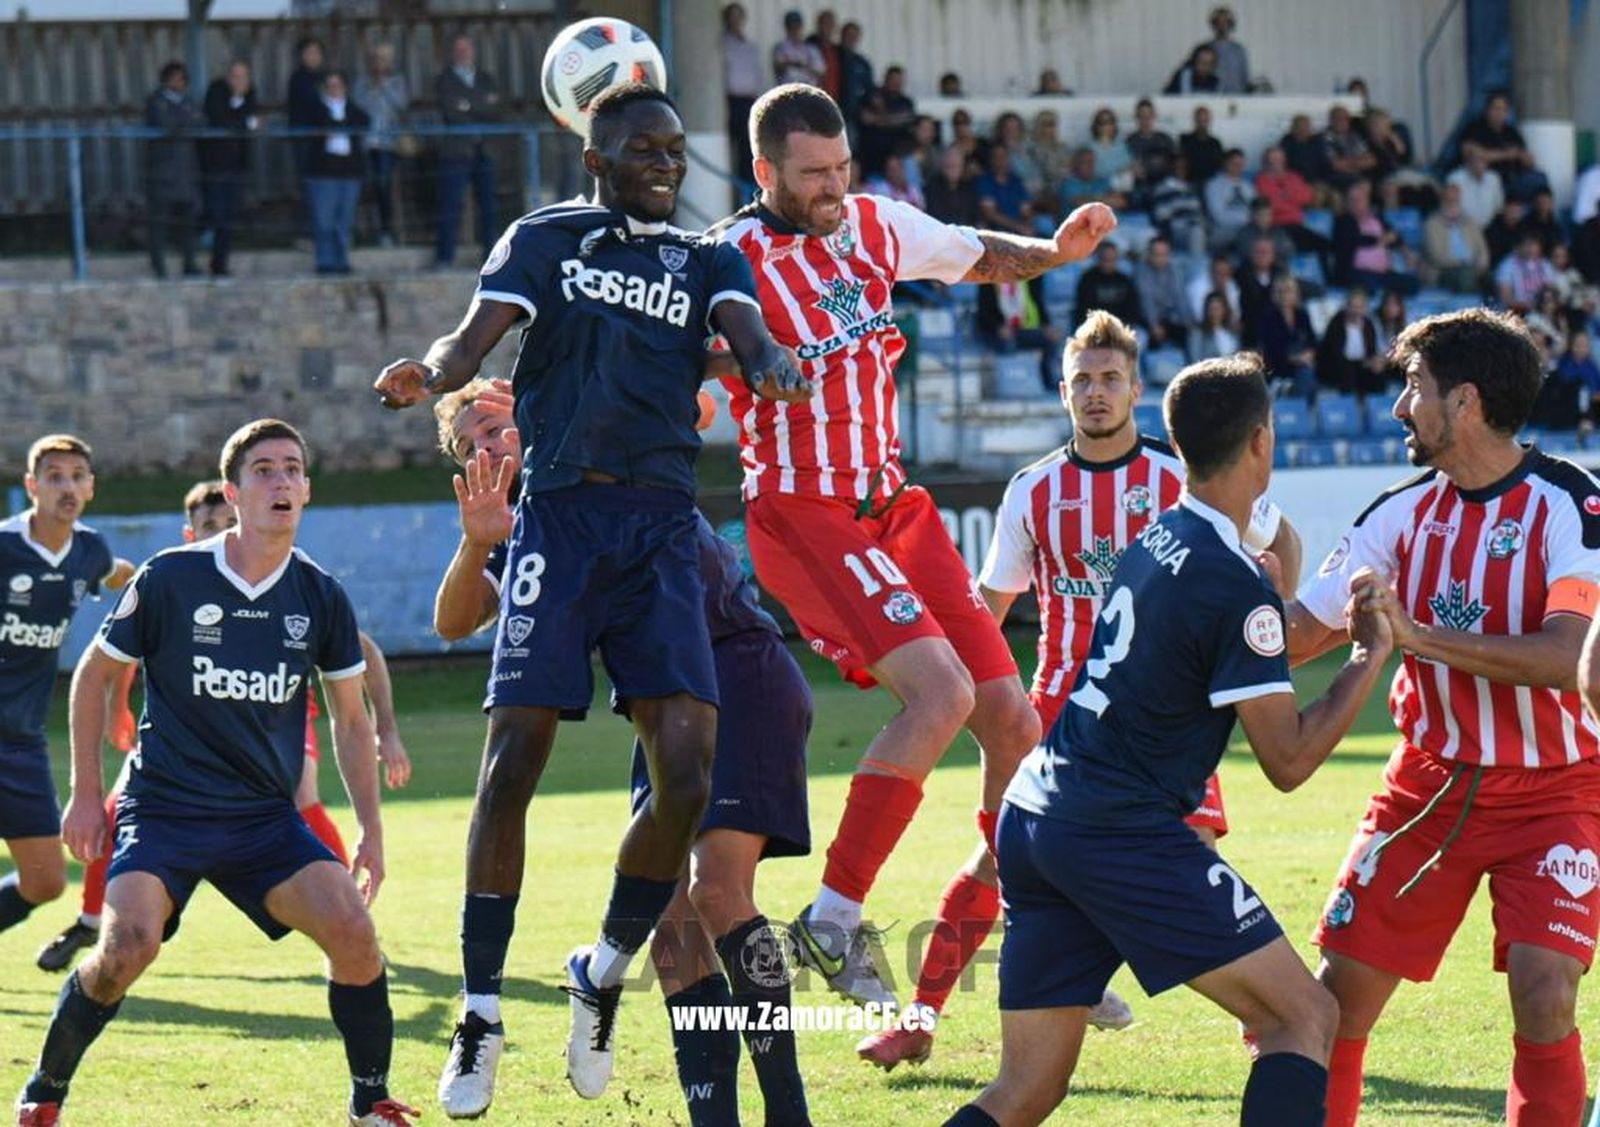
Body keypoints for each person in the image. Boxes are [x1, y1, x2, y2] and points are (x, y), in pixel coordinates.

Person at [371, 83, 807, 1116]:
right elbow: (468, 346)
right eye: (641, 149)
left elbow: (749, 337)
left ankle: (602, 966)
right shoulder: (546, 239)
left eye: (673, 148)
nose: (664, 162)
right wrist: (423, 372)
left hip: (658, 526)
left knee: (686, 776)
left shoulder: (709, 258)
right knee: (512, 758)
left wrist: (777, 364)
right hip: (560, 521)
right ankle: (480, 1013)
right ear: (595, 160)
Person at [708, 81, 1115, 1010]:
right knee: (942, 695)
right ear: (765, 171)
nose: (833, 187)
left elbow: (972, 256)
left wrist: (1053, 250)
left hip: (895, 509)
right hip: (802, 513)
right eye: (813, 175)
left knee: (1013, 722)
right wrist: (736, 367)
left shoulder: (874, 223)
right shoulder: (728, 259)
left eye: (843, 167)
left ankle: (1037, 928)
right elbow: (671, 354)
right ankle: (833, 918)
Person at [940, 352, 1395, 1127]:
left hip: (1038, 813)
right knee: (1305, 1017)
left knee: (1024, 1091)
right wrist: (1365, 659)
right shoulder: (1233, 581)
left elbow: (1226, 638)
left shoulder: (1162, 536)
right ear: (1262, 442)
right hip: (1118, 830)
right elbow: (1285, 761)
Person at [859, 312, 1300, 1071]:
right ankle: (920, 1016)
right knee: (999, 854)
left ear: (1135, 388)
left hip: (1163, 709)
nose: (1096, 394)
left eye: (1110, 379)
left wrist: (1265, 636)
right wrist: (952, 687)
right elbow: (984, 608)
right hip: (1060, 710)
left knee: (1187, 859)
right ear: (1063, 393)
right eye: (1082, 381)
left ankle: (1249, 1004)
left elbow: (1282, 542)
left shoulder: (1182, 477)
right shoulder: (1034, 489)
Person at [429, 378, 814, 1127]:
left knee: (716, 891)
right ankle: (714, 1116)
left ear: (531, 415)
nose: (487, 446)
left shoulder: (597, 453)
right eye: (469, 444)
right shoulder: (526, 526)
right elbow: (454, 619)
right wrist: (477, 537)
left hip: (738, 668)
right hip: (663, 701)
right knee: (670, 919)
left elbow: (695, 399)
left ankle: (789, 1112)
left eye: (494, 426)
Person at [13, 420, 418, 1127]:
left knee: (354, 932)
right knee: (125, 948)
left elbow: (350, 720)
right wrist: (83, 792)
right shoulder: (173, 575)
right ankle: (45, 1091)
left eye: (293, 468)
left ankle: (370, 1100)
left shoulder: (319, 594)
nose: (282, 481)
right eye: (264, 469)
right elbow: (93, 675)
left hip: (263, 820)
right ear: (234, 492)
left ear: (308, 490)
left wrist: (371, 831)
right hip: (163, 809)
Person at [1283, 308, 1600, 1127]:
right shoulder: (1396, 512)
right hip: (1427, 787)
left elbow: (1570, 657)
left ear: (1463, 402)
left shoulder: (1572, 506)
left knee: (1544, 991)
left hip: (1557, 789)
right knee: (1336, 1002)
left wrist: (1417, 636)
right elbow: (1299, 634)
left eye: (1413, 388)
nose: (1398, 409)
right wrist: (1206, 610)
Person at [33, 482, 411, 974]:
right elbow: (121, 655)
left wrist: (387, 727)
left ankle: (346, 912)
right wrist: (118, 708)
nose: (226, 534)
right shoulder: (173, 582)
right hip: (185, 733)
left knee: (301, 793)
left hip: (274, 722)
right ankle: (92, 918)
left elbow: (364, 651)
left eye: (227, 523)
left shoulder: (292, 580)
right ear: (191, 533)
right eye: (210, 528)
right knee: (114, 806)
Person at [0, 436, 133, 945]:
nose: (67, 486)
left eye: (78, 475)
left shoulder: (89, 551)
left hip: (22, 741)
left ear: (91, 487)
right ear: (32, 486)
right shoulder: (6, 548)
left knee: (45, 881)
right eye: (55, 476)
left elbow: (121, 576)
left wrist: (155, 588)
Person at [434, 36, 501, 269]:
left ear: (474, 51)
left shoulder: (486, 78)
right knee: (450, 205)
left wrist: (469, 105)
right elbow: (451, 111)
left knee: (489, 207)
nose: (463, 53)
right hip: (456, 152)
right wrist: (481, 104)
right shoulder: (444, 79)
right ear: (453, 53)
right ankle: (444, 257)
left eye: (467, 49)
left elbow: (497, 109)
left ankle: (491, 259)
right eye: (458, 49)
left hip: (484, 150)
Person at [305, 72, 371, 276]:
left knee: (344, 221)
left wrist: (337, 128)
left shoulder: (352, 109)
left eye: (338, 85)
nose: (335, 89)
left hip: (349, 171)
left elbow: (364, 122)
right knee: (324, 221)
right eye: (331, 85)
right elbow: (320, 126)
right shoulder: (316, 109)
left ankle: (342, 260)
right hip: (323, 172)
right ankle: (324, 261)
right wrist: (339, 127)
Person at [199, 60, 257, 277]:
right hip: (214, 164)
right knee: (215, 212)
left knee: (229, 216)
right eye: (236, 76)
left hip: (237, 165)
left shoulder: (249, 93)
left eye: (244, 77)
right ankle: (202, 243)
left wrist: (241, 102)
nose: (240, 81)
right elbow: (221, 120)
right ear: (228, 76)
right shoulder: (216, 91)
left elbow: (247, 119)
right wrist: (244, 121)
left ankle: (219, 263)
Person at [143, 60, 202, 279]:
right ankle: (159, 267)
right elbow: (167, 126)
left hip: (186, 174)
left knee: (189, 222)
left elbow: (200, 122)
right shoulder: (156, 102)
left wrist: (183, 125)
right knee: (159, 222)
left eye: (183, 78)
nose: (180, 82)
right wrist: (184, 124)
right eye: (176, 78)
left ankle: (190, 264)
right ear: (166, 80)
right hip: (163, 174)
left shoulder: (187, 102)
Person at [353, 43, 410, 248]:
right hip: (366, 143)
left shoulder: (397, 82)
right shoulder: (362, 84)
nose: (380, 64)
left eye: (384, 60)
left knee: (383, 183)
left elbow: (401, 106)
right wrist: (373, 88)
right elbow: (358, 107)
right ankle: (359, 232)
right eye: (376, 60)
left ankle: (385, 230)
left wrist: (384, 86)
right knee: (364, 184)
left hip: (388, 144)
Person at [1332, 180, 1417, 295]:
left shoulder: (1377, 218)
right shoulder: (1343, 221)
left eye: (1360, 200)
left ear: (1367, 201)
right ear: (1346, 203)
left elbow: (1394, 235)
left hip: (1382, 273)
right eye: (1353, 200)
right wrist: (1380, 240)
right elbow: (1354, 239)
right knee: (1368, 285)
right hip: (1357, 273)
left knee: (1412, 283)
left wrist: (1405, 252)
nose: (1357, 204)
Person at [1460, 90, 1545, 199]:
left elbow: (1526, 157)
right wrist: (1507, 154)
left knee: (1540, 179)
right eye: (1496, 108)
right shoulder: (1475, 128)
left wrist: (1526, 158)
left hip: (1515, 178)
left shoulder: (1512, 132)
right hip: (1488, 178)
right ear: (1487, 110)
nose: (1499, 113)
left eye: (1503, 110)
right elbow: (1472, 153)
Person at [1315, 286, 1385, 396]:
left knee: (1378, 373)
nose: (1356, 311)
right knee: (1348, 372)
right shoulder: (1336, 323)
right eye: (1353, 307)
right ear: (1346, 307)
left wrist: (1374, 361)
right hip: (1337, 365)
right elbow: (1335, 353)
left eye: (1360, 307)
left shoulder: (1368, 324)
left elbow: (1372, 349)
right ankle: (1349, 406)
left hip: (1362, 364)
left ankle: (1376, 407)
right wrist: (1363, 363)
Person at [721, 3, 763, 186]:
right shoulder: (723, 44)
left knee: (750, 147)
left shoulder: (750, 46)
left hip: (750, 100)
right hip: (733, 99)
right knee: (734, 148)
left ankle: (749, 187)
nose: (736, 20)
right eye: (732, 16)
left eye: (739, 16)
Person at [1423, 182, 1490, 294]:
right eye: (1449, 201)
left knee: (1493, 278)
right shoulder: (1432, 224)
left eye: (1455, 200)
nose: (1452, 204)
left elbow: (1482, 248)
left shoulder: (1469, 222)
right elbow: (1436, 256)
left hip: (1472, 268)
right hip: (1445, 270)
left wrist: (1482, 264)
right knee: (1465, 276)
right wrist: (1462, 263)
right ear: (1442, 200)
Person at [286, 37, 326, 214]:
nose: (313, 57)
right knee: (307, 183)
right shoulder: (298, 79)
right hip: (305, 138)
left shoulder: (326, 78)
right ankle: (308, 231)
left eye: (316, 53)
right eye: (309, 53)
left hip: (324, 138)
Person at [1259, 275, 1317, 398]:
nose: (1285, 295)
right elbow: (1271, 348)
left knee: (1307, 374)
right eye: (1281, 291)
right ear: (1276, 294)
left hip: (1303, 363)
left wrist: (1310, 353)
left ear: (1295, 294)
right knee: (1306, 376)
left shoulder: (1302, 315)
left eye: (1289, 291)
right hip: (1279, 365)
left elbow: (1312, 341)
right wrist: (1295, 358)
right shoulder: (1269, 317)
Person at [1135, 235, 1192, 355]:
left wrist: (1188, 321)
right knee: (1147, 338)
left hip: (1170, 318)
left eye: (1164, 254)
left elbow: (1180, 298)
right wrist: (1154, 325)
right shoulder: (1141, 271)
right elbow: (1146, 300)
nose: (1160, 258)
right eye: (1157, 254)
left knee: (1191, 334)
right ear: (1149, 254)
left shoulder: (1175, 270)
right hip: (1147, 320)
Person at [1073, 241, 1143, 330]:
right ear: (1098, 258)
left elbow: (1132, 308)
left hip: (1120, 326)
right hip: (1094, 326)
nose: (1109, 263)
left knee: (1140, 336)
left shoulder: (1124, 280)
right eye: (1105, 259)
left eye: (1112, 259)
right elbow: (1083, 309)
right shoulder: (1088, 278)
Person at [1495, 232, 1559, 312]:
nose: (1531, 249)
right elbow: (1506, 299)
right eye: (1527, 245)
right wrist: (1528, 306)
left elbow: (1552, 290)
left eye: (1534, 245)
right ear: (1518, 246)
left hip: (1541, 312)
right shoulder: (1507, 265)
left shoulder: (1545, 264)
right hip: (1516, 312)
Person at [1203, 148, 1253, 250]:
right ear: (1226, 163)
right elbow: (1219, 216)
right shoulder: (1214, 185)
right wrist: (1246, 221)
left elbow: (1255, 210)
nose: (1238, 168)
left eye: (1241, 165)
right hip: (1223, 230)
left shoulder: (1248, 187)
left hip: (1247, 229)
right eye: (1235, 164)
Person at [1125, 98, 1176, 194]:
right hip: (1140, 186)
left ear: (1154, 116)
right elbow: (1125, 166)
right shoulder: (1130, 141)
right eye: (1142, 116)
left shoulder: (1165, 139)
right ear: (1136, 117)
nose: (1146, 120)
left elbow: (1175, 163)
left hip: (1164, 184)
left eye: (1149, 116)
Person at [924, 145, 979, 227]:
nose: (953, 170)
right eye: (949, 166)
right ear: (942, 165)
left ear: (962, 166)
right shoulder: (932, 188)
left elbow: (975, 218)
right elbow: (934, 218)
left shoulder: (969, 189)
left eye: (956, 166)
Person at [771, 9, 824, 87]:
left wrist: (804, 66)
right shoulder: (780, 47)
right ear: (786, 28)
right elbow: (779, 66)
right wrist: (797, 64)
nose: (794, 30)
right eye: (791, 27)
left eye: (797, 26)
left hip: (807, 89)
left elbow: (820, 71)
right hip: (788, 90)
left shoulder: (811, 48)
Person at [1204, 5, 1250, 93]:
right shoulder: (1205, 50)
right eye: (1219, 22)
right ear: (1214, 24)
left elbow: (1245, 78)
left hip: (1236, 98)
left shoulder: (1239, 50)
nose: (1222, 25)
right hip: (1212, 98)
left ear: (1231, 24)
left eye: (1226, 22)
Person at [1180, 105, 1224, 189]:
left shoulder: (1215, 143)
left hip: (1211, 185)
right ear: (1195, 120)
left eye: (1205, 120)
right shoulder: (1185, 140)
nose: (1202, 123)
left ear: (1209, 121)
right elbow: (1180, 165)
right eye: (1199, 120)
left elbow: (1220, 167)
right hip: (1189, 184)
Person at [1189, 290, 1239, 360]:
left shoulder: (1232, 333)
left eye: (1218, 308)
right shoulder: (1198, 333)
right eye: (1211, 308)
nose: (1215, 312)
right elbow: (1194, 359)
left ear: (1224, 309)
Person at [806, 9, 841, 99]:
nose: (828, 28)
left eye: (830, 25)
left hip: (833, 98)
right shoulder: (809, 47)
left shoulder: (838, 50)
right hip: (815, 97)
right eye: (825, 24)